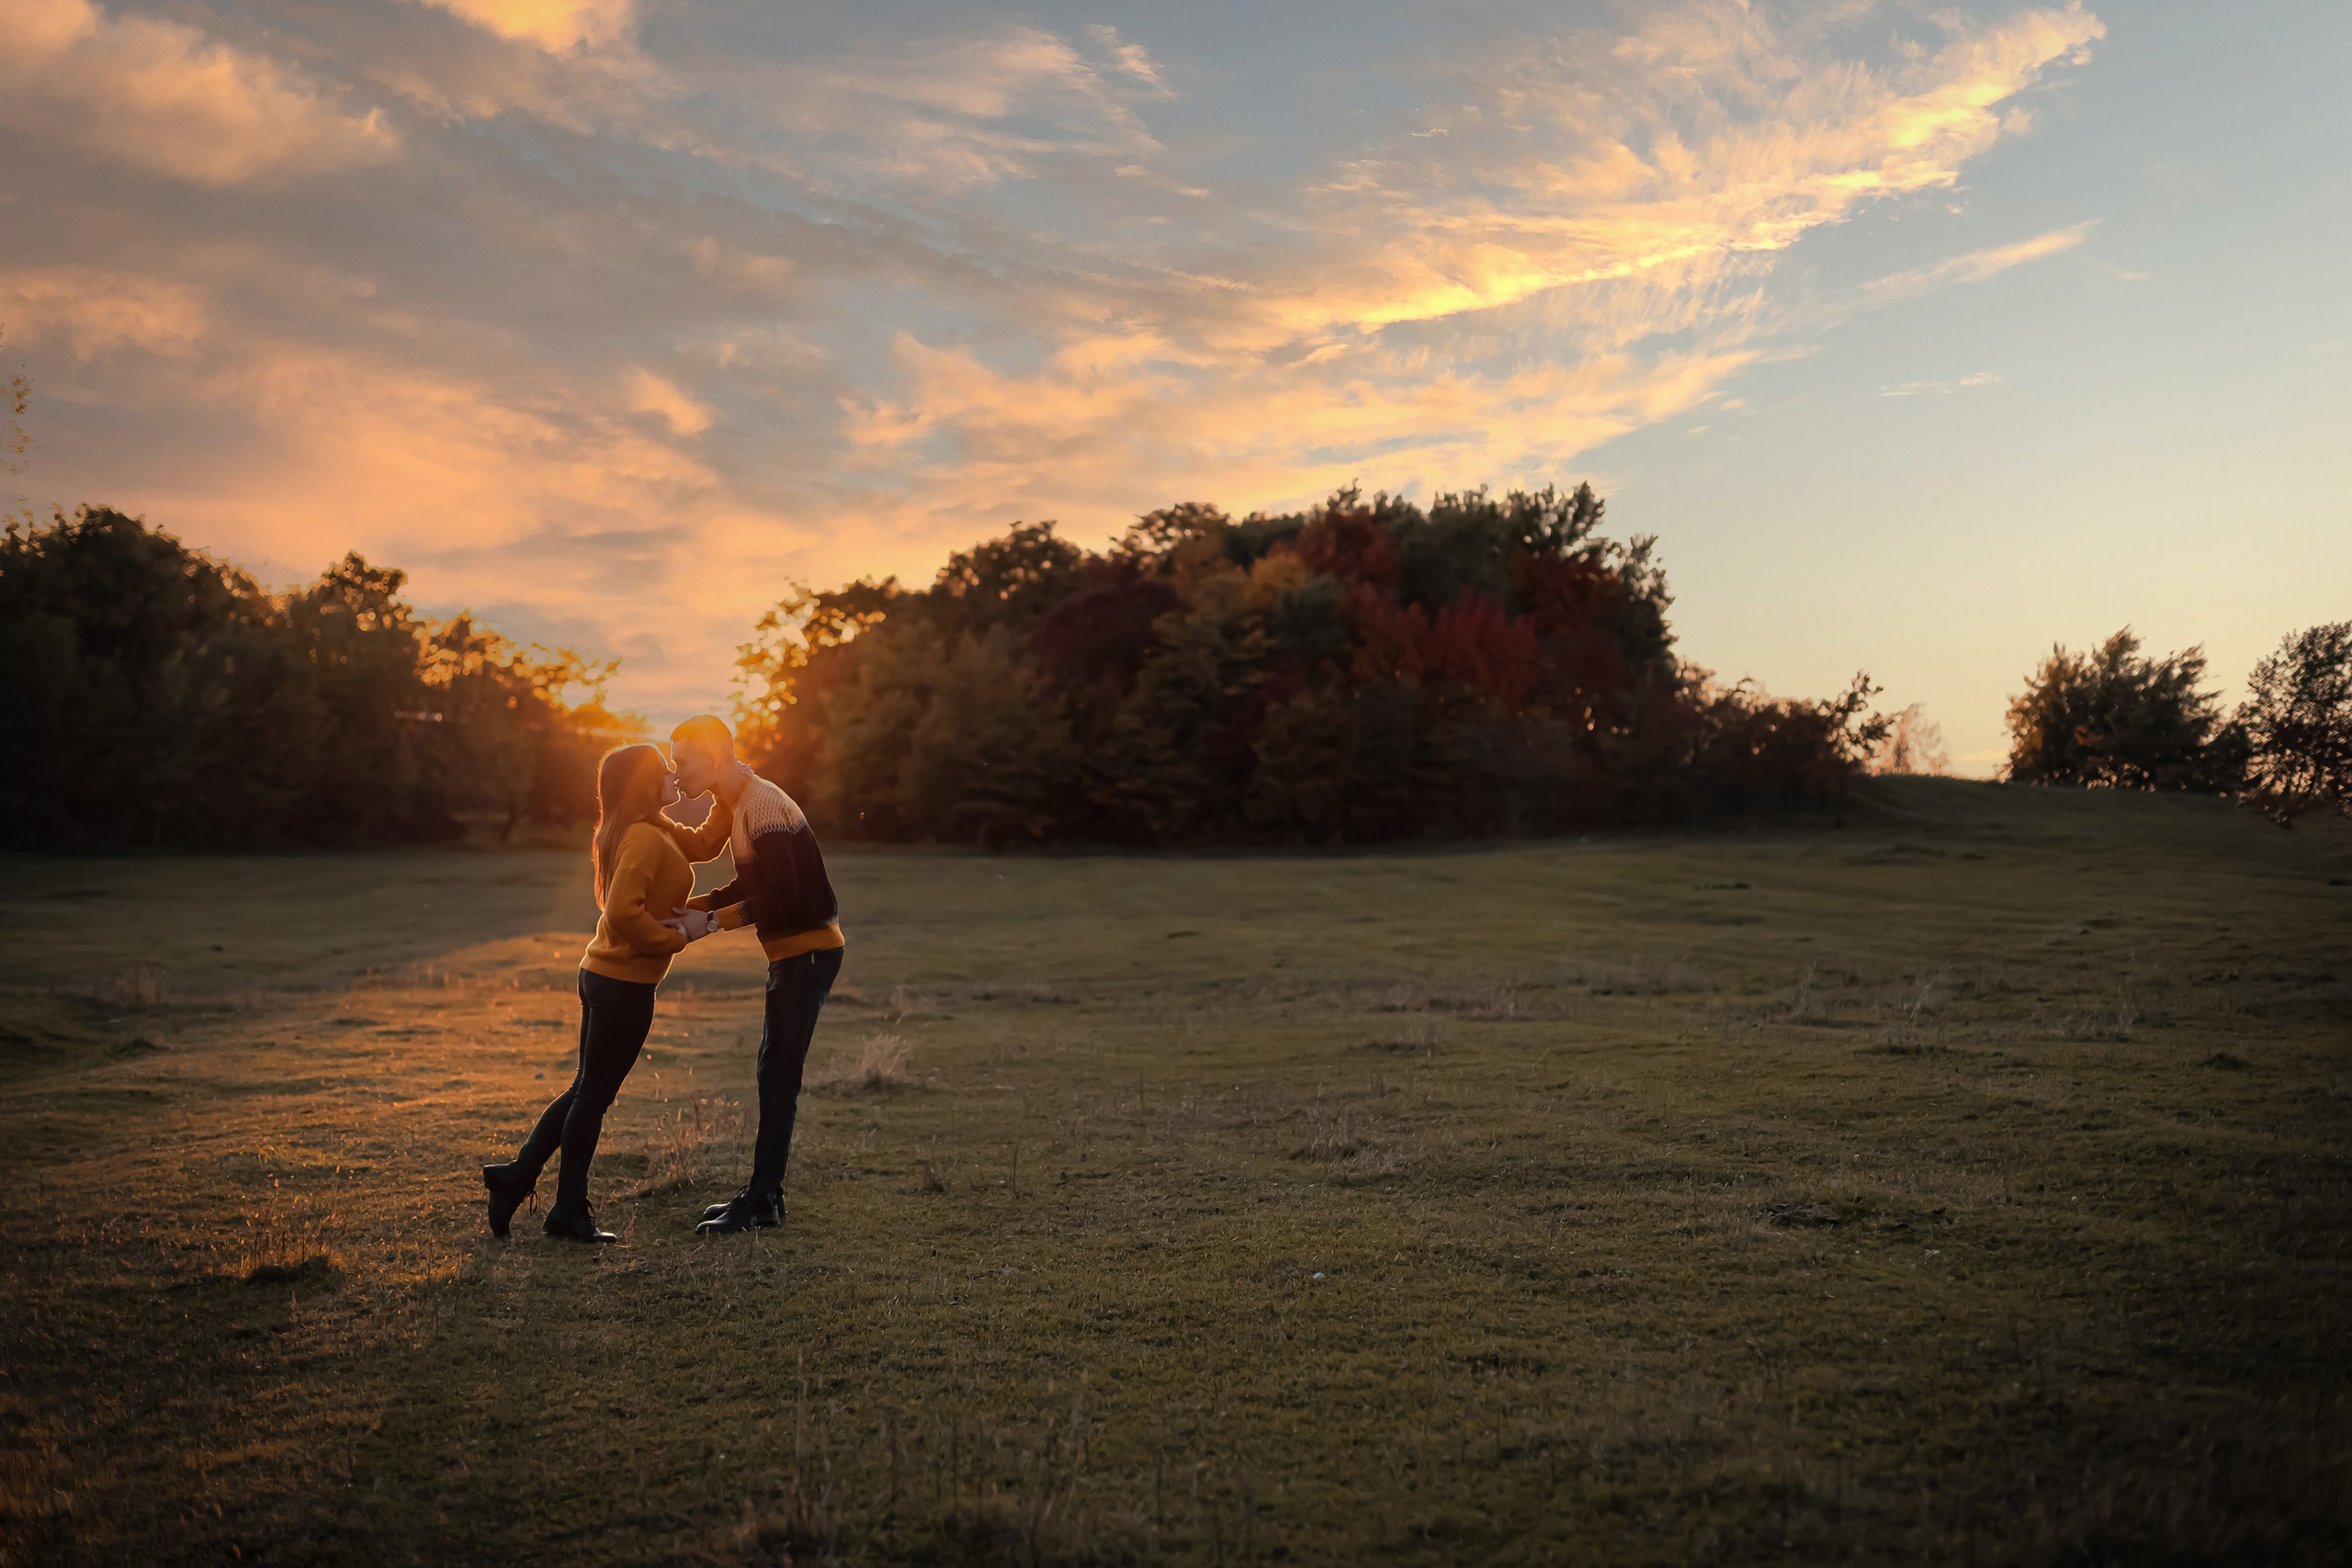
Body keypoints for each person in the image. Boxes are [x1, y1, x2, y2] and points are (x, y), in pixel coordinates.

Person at [481, 743, 730, 1242]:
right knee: (593, 1095)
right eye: (664, 770)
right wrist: (679, 937)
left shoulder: (656, 830)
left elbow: (703, 845)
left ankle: (516, 1178)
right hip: (621, 984)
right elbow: (622, 913)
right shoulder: (642, 837)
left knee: (585, 1089)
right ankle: (567, 1210)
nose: (673, 776)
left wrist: (726, 790)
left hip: (607, 975)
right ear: (642, 784)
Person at [667, 714, 844, 1235]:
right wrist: (689, 905)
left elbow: (783, 896)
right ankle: (764, 1196)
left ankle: (763, 1199)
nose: (676, 772)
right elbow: (707, 852)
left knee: (778, 1074)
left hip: (808, 952)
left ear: (715, 758)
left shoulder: (762, 804)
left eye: (683, 760)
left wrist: (713, 921)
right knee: (773, 1070)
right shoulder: (733, 799)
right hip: (792, 954)